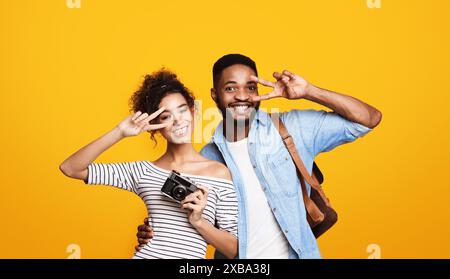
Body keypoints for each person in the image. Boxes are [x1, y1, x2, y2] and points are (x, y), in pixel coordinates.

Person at [136, 54, 382, 259]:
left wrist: (309, 91)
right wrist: (155, 233)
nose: (242, 96)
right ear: (214, 95)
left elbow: (369, 119)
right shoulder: (206, 160)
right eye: (231, 88)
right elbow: (189, 223)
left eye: (250, 87)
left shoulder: (292, 129)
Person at [59, 69, 238, 259]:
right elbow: (70, 168)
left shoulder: (219, 173)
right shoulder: (143, 171)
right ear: (154, 126)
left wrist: (199, 221)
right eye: (165, 116)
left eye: (182, 109)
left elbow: (233, 249)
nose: (178, 120)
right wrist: (120, 131)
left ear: (193, 112)